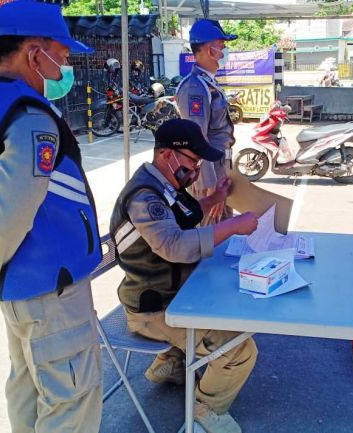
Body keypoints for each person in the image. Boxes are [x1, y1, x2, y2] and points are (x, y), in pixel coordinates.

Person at [0, 2, 103, 431]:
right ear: (35, 54)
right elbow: (11, 214)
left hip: (22, 291)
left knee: (29, 391)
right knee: (71, 403)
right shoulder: (31, 117)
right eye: (62, 52)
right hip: (49, 290)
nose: (66, 61)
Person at [110, 118, 259, 433]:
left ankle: (171, 364)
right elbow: (174, 245)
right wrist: (233, 225)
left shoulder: (163, 186)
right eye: (192, 161)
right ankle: (204, 411)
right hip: (155, 309)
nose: (196, 169)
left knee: (226, 299)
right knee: (238, 349)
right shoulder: (145, 197)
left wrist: (215, 199)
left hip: (171, 296)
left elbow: (182, 216)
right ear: (167, 155)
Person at [176, 19, 237, 224]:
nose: (225, 50)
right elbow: (197, 139)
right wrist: (210, 185)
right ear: (210, 50)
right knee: (211, 232)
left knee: (226, 226)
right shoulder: (194, 88)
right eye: (222, 45)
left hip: (221, 167)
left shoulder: (208, 82)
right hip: (210, 175)